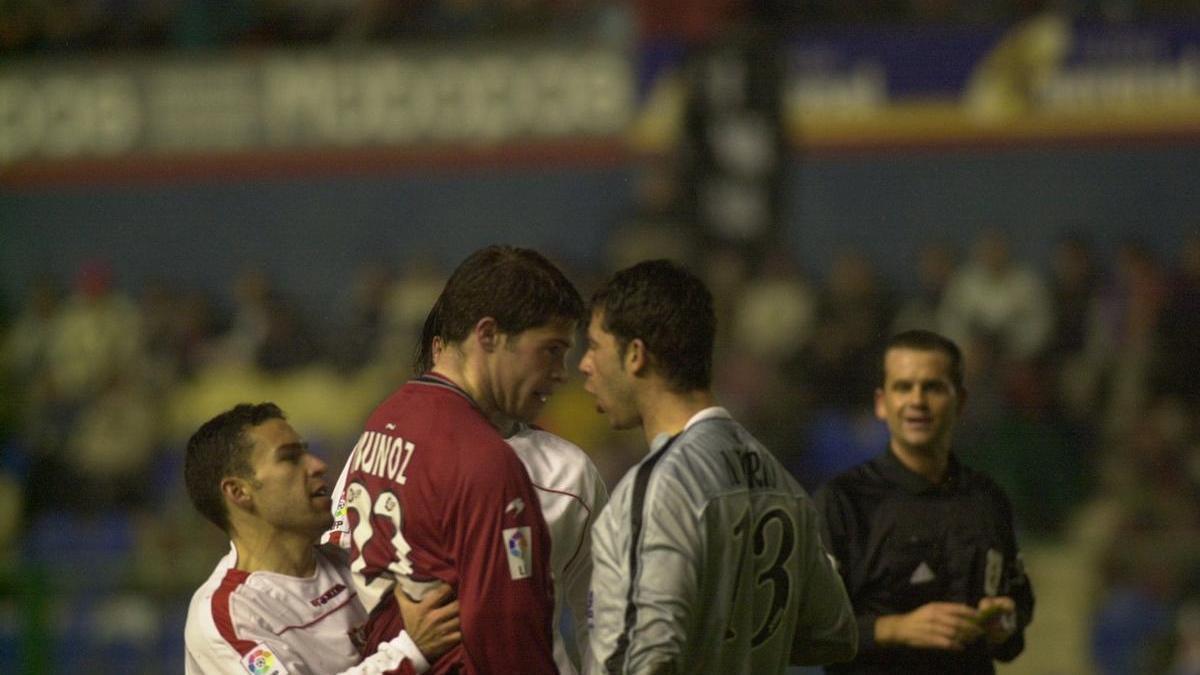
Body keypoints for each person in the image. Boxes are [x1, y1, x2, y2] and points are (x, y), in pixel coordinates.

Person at [578, 259, 858, 674]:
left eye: (594, 346)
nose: (583, 364)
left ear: (635, 355)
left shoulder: (660, 486)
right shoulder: (781, 481)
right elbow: (834, 633)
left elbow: (644, 658)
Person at [326, 245, 584, 674]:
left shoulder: (384, 420)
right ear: (487, 335)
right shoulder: (485, 460)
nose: (561, 371)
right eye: (550, 350)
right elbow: (505, 635)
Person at [814, 329, 1036, 673]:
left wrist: (1001, 626)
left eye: (932, 387)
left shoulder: (987, 499)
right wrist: (895, 628)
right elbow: (808, 631)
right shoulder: (843, 502)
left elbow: (1015, 623)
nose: (917, 400)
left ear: (960, 401)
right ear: (881, 403)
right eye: (903, 387)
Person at [183, 402, 461, 675]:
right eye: (290, 458)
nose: (318, 465)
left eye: (307, 453)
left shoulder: (353, 560)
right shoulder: (226, 615)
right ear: (238, 492)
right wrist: (410, 652)